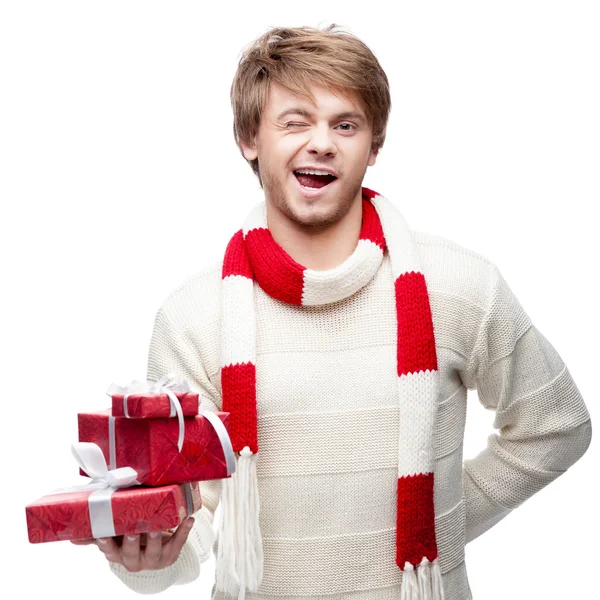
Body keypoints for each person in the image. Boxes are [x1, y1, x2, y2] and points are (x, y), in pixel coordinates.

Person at [73, 23, 592, 600]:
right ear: (250, 138)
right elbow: (197, 512)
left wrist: (433, 528)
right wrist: (150, 558)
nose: (321, 143)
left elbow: (556, 426)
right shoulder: (195, 315)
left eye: (345, 125)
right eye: (295, 121)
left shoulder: (461, 286)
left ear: (373, 148)